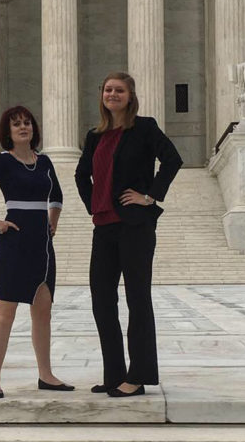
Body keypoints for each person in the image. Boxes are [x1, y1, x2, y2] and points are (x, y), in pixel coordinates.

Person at [74, 72, 182, 398]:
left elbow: (172, 160)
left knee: (137, 299)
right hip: (104, 226)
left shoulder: (144, 127)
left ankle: (137, 377)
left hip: (136, 226)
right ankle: (114, 374)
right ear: (101, 95)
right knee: (102, 301)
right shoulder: (95, 135)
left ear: (130, 95)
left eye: (119, 90)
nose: (113, 94)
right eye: (108, 89)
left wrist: (149, 196)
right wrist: (94, 205)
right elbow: (81, 175)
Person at [0, 105, 73, 399]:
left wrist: (53, 222)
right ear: (7, 132)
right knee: (5, 314)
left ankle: (46, 375)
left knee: (43, 312)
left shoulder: (45, 161)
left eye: (27, 123)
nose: (23, 127)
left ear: (33, 128)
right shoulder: (2, 162)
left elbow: (57, 196)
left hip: (42, 247)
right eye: (16, 124)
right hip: (14, 244)